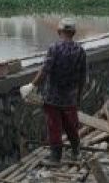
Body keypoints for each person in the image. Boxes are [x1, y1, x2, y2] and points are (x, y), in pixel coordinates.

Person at [27, 17, 87, 165]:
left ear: (59, 31)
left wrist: (32, 86)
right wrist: (78, 97)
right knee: (71, 126)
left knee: (54, 126)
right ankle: (76, 151)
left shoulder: (54, 48)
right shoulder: (80, 50)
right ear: (73, 32)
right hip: (70, 97)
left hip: (52, 97)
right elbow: (82, 77)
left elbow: (45, 71)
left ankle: (55, 157)